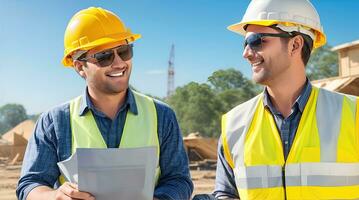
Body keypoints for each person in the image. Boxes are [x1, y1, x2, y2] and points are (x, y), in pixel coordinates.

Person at [16, 7, 193, 200]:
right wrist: (55, 196)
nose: (119, 63)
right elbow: (30, 185)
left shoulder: (162, 115)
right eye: (104, 56)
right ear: (79, 67)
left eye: (124, 51)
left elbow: (179, 180)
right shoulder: (55, 121)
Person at [213, 0, 359, 199]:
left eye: (257, 40)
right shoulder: (233, 124)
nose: (246, 53)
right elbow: (227, 194)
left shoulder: (354, 115)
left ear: (295, 44)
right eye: (245, 42)